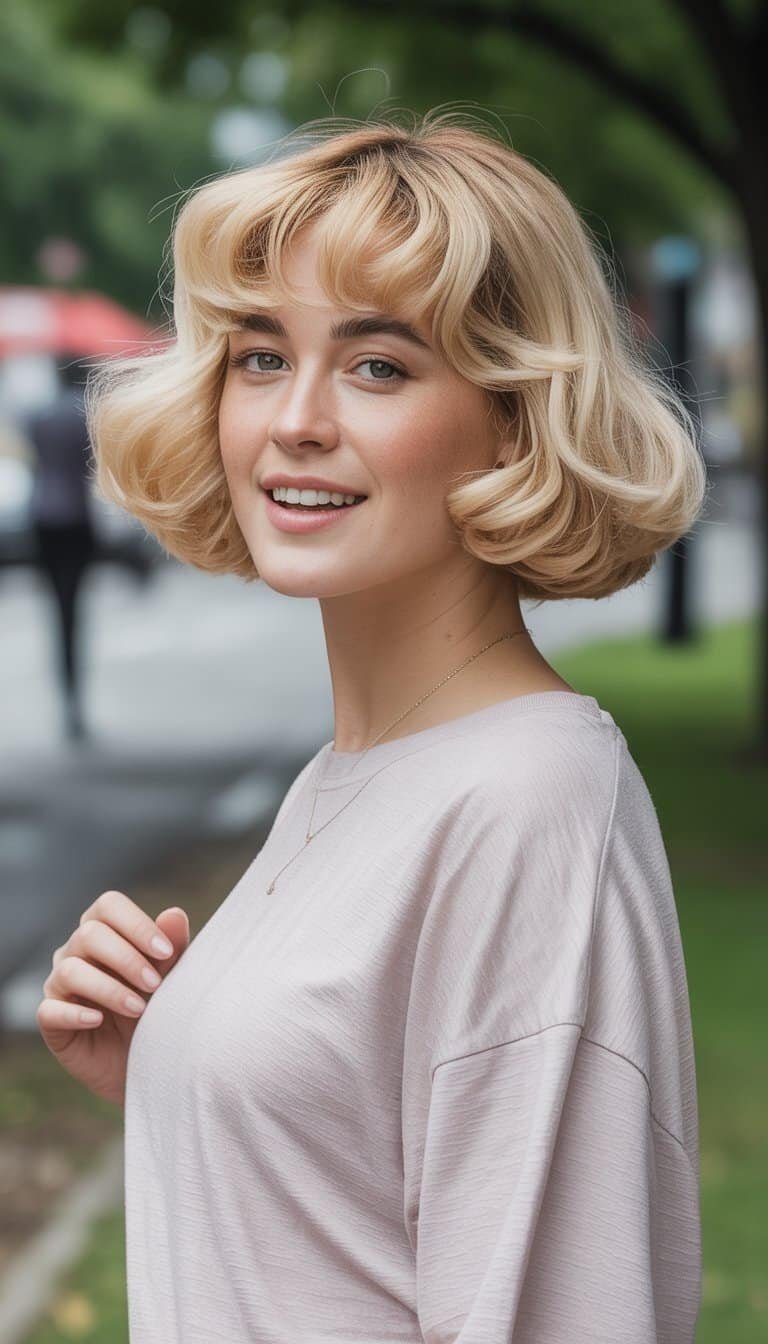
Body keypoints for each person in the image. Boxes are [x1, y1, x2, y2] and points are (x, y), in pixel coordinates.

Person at [36, 112, 708, 1342]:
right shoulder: (359, 772)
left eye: (379, 366)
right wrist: (186, 1066)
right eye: (259, 357)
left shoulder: (525, 807)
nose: (295, 418)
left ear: (516, 416)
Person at [25, 357, 97, 741]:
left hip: (42, 519)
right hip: (77, 519)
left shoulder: (39, 416)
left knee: (59, 607)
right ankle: (73, 697)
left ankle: (67, 693)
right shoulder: (84, 417)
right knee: (72, 609)